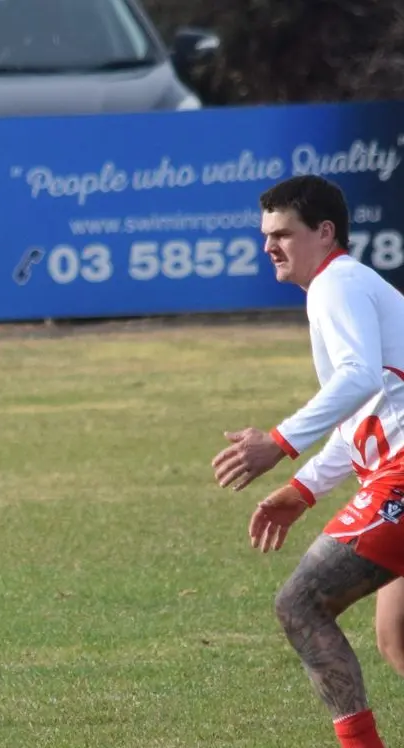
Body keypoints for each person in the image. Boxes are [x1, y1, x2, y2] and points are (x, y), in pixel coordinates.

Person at [212, 174, 404, 748]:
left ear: (325, 233)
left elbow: (358, 379)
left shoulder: (335, 284)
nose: (269, 245)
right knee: (398, 635)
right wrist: (302, 488)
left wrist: (279, 440)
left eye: (282, 233)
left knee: (300, 604)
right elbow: (365, 416)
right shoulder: (346, 286)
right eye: (265, 234)